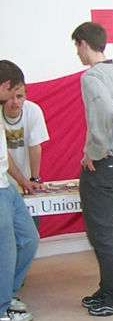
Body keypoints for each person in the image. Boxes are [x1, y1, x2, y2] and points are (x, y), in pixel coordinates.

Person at [71, 22, 113, 317]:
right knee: (107, 232)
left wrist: (93, 151)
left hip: (105, 163)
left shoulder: (92, 76)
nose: (77, 53)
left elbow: (106, 112)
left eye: (77, 47)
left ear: (84, 44)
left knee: (102, 236)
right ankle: (109, 288)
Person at [0, 60, 40, 321]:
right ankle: (1, 310)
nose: (13, 100)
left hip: (6, 184)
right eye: (11, 92)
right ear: (5, 85)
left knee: (29, 239)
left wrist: (24, 180)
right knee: (5, 250)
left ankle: (8, 292)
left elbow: (5, 154)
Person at [3, 82, 49, 226]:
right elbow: (3, 154)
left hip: (25, 183)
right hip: (3, 183)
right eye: (10, 98)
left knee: (32, 230)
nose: (15, 102)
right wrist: (22, 180)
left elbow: (35, 147)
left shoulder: (33, 111)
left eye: (19, 96)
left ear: (25, 96)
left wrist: (34, 179)